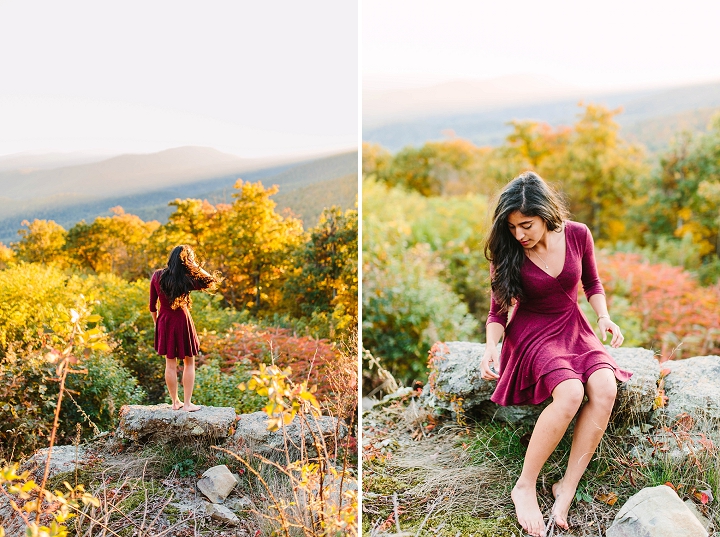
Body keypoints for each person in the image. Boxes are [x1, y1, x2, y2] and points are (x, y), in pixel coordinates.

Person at [480, 171, 632, 536]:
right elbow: (497, 312)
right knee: (571, 392)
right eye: (514, 227)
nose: (520, 235)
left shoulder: (578, 233)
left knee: (605, 387)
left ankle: (567, 485)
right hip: (532, 332)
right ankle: (525, 485)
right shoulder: (507, 249)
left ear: (545, 213)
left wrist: (605, 317)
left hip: (574, 326)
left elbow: (591, 283)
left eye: (527, 225)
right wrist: (490, 347)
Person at [149, 245, 223, 412]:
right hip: (182, 320)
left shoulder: (157, 276)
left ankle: (175, 402)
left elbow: (152, 306)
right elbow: (211, 280)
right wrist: (195, 266)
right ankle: (187, 404)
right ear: (185, 261)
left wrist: (157, 323)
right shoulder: (186, 278)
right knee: (189, 362)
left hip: (164, 320)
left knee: (170, 364)